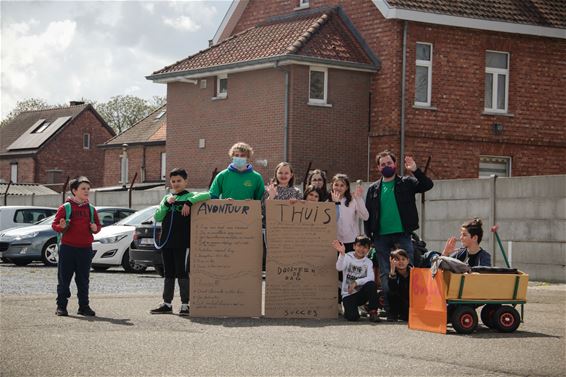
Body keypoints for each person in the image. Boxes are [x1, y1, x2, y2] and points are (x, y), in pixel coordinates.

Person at [364, 150, 433, 314]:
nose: (386, 166)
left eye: (389, 163)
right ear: (378, 168)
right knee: (386, 272)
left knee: (410, 270)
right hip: (381, 237)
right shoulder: (373, 189)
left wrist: (415, 170)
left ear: (395, 165)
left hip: (403, 234)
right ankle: (390, 309)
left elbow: (427, 185)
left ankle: (414, 307)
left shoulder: (407, 182)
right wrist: (370, 237)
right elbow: (368, 215)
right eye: (383, 164)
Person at [150, 168, 211, 316]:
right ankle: (167, 303)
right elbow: (157, 217)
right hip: (166, 242)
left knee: (181, 271)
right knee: (168, 272)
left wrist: (189, 203)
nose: (176, 184)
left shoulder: (190, 196)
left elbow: (209, 194)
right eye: (173, 181)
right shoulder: (167, 198)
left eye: (179, 181)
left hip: (182, 243)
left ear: (185, 181)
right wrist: (166, 204)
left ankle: (185, 304)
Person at [52, 176, 101, 317]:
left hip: (85, 249)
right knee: (64, 279)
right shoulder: (65, 207)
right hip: (68, 248)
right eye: (83, 189)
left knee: (83, 279)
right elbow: (54, 225)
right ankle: (61, 306)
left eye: (88, 189)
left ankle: (84, 306)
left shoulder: (91, 209)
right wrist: (60, 226)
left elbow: (98, 226)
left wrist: (95, 228)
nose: (86, 191)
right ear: (74, 190)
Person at [332, 236, 380, 322]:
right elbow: (339, 268)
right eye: (359, 246)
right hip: (348, 294)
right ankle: (350, 310)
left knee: (371, 285)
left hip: (361, 293)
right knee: (352, 317)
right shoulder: (347, 257)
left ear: (369, 249)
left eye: (365, 247)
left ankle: (373, 312)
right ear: (354, 246)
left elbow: (371, 278)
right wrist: (342, 254)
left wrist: (356, 282)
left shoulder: (368, 262)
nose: (361, 249)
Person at [331, 174, 369, 251]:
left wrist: (358, 199)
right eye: (336, 185)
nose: (338, 188)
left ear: (346, 187)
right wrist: (335, 203)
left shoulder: (352, 200)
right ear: (332, 186)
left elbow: (365, 217)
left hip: (351, 240)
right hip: (334, 241)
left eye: (342, 185)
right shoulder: (327, 200)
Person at [387, 249, 412, 322]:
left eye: (403, 259)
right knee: (390, 292)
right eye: (397, 260)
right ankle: (393, 314)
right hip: (399, 301)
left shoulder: (414, 272)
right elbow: (392, 288)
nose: (401, 262)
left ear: (408, 260)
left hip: (411, 301)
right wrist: (392, 271)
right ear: (392, 261)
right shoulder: (392, 273)